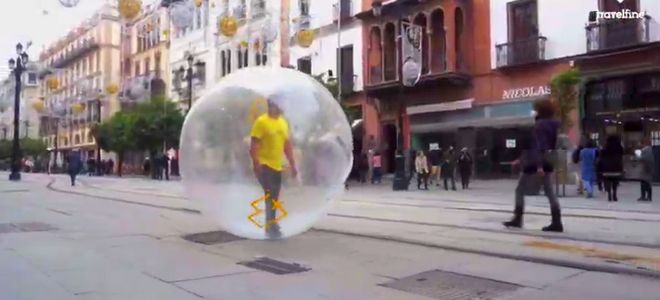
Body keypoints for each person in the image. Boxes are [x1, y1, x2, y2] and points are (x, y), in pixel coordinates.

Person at [503, 99, 563, 232]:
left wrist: (539, 165)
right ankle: (557, 222)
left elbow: (539, 145)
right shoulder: (555, 124)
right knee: (549, 192)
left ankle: (517, 219)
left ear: (539, 110)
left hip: (536, 162)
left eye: (535, 108)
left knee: (519, 190)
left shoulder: (540, 125)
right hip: (550, 159)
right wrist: (521, 159)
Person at [250, 96, 298, 239]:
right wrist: (256, 163)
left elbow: (287, 145)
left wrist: (292, 164)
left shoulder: (283, 122)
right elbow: (254, 145)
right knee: (270, 194)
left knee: (274, 196)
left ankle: (271, 224)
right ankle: (271, 226)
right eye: (281, 104)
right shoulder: (261, 122)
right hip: (264, 164)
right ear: (273, 105)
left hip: (277, 165)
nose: (283, 107)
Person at [600, 135, 624, 202]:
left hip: (606, 168)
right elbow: (622, 155)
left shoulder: (604, 148)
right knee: (615, 182)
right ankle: (615, 194)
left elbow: (601, 158)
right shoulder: (619, 147)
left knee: (607, 181)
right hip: (616, 167)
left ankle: (609, 194)